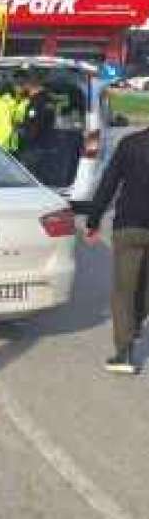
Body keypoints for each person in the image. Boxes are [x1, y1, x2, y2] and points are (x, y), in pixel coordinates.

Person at [85, 126, 149, 374]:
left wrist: (93, 219)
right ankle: (133, 324)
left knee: (124, 290)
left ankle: (124, 352)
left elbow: (109, 182)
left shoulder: (130, 143)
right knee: (144, 287)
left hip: (129, 225)